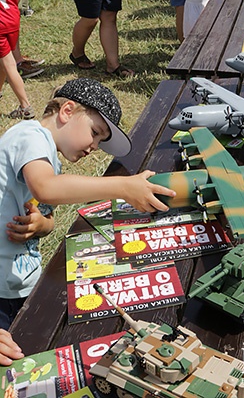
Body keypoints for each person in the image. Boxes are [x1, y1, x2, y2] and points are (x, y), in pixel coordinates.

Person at [0, 77, 175, 331]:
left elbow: (49, 219)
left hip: (20, 284)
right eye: (95, 133)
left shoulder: (50, 162)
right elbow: (45, 188)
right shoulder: (30, 135)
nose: (94, 146)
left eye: (100, 141)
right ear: (67, 111)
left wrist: (40, 224)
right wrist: (122, 187)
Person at [0, 0, 35, 120]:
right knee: (4, 61)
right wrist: (12, 7)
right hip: (12, 18)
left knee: (9, 63)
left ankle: (26, 106)